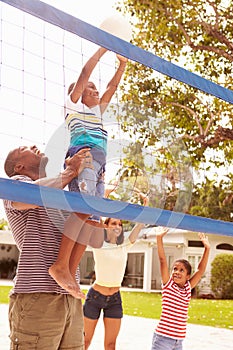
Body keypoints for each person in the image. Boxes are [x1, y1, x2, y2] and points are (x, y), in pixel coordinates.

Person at [49, 46, 128, 298]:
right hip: (83, 161)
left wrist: (122, 65)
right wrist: (103, 47)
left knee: (93, 220)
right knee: (82, 210)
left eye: (96, 88)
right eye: (89, 88)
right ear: (79, 94)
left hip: (100, 167)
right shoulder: (73, 108)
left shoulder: (97, 114)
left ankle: (69, 272)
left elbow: (111, 89)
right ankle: (60, 264)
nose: (95, 90)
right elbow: (85, 73)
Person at [3, 144, 91, 350]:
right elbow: (32, 194)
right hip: (37, 295)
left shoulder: (57, 193)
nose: (34, 146)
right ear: (19, 166)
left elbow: (81, 221)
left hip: (70, 296)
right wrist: (69, 171)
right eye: (24, 148)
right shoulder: (14, 184)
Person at [83, 193, 149, 350]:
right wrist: (103, 196)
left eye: (120, 224)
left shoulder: (124, 245)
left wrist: (145, 207)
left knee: (111, 345)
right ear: (106, 226)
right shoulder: (98, 242)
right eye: (113, 223)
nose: (117, 227)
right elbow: (96, 218)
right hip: (95, 297)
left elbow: (139, 225)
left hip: (115, 299)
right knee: (85, 342)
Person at [151, 227, 210, 350]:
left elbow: (200, 270)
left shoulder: (187, 288)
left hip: (178, 341)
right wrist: (159, 238)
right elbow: (162, 261)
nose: (177, 272)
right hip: (162, 339)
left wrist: (207, 248)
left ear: (188, 276)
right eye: (175, 269)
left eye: (181, 270)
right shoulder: (168, 285)